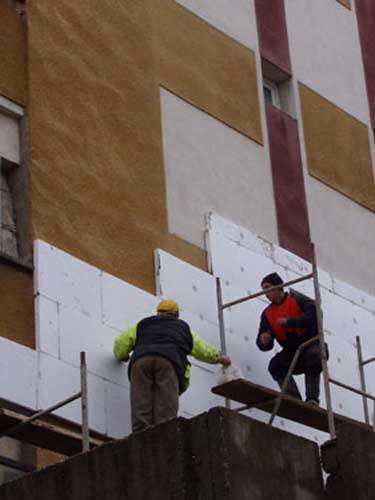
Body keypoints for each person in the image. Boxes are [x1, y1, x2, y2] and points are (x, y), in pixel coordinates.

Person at [114, 299, 231, 431]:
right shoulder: (182, 328)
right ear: (176, 314)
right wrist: (220, 358)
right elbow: (201, 349)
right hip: (168, 362)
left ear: (157, 313)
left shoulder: (143, 324)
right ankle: (165, 433)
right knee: (166, 405)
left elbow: (121, 341)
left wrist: (122, 356)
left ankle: (140, 434)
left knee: (141, 400)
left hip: (141, 361)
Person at [256, 272, 326, 405]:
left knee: (314, 355)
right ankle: (293, 399)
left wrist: (290, 322)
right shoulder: (267, 314)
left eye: (268, 288)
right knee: (275, 366)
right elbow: (263, 342)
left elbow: (315, 314)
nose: (265, 293)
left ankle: (312, 398)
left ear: (278, 287)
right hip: (293, 352)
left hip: (310, 344)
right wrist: (264, 340)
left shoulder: (297, 299)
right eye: (263, 289)